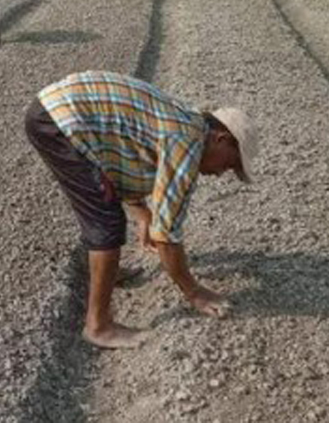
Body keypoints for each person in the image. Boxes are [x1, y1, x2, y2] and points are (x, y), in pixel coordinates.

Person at [25, 71, 259, 349]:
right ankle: (98, 326)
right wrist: (194, 291)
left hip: (55, 112)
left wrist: (142, 212)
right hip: (61, 122)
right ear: (221, 139)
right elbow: (166, 233)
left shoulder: (188, 123)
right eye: (229, 164)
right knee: (107, 221)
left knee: (103, 204)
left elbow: (125, 156)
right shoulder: (186, 141)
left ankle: (106, 271)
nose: (221, 173)